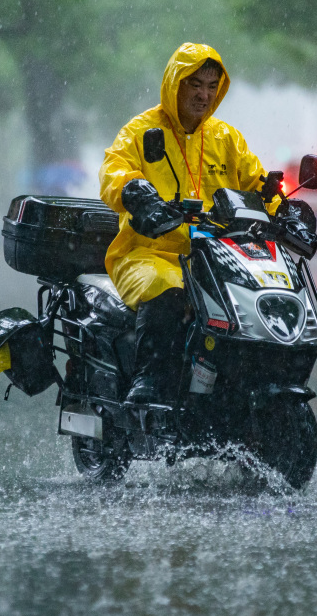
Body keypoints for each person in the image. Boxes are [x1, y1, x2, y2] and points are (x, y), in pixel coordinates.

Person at [100, 42, 271, 406]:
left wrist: (286, 208)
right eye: (195, 84)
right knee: (170, 289)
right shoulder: (142, 130)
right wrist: (136, 191)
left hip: (217, 258)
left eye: (212, 86)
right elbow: (114, 170)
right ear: (175, 83)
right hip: (148, 253)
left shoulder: (227, 138)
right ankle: (149, 380)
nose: (204, 95)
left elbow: (257, 185)